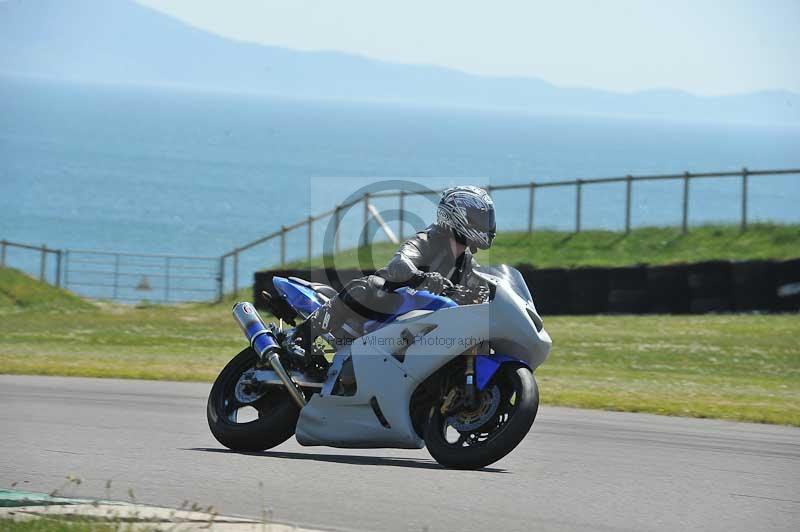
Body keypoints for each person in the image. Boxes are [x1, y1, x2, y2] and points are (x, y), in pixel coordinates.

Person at [288, 185, 496, 357]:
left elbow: (482, 289)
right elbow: (399, 264)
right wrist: (422, 278)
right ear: (458, 215)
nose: (487, 224)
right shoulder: (428, 240)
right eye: (481, 218)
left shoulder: (467, 263)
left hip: (425, 326)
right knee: (368, 285)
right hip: (389, 305)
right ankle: (301, 335)